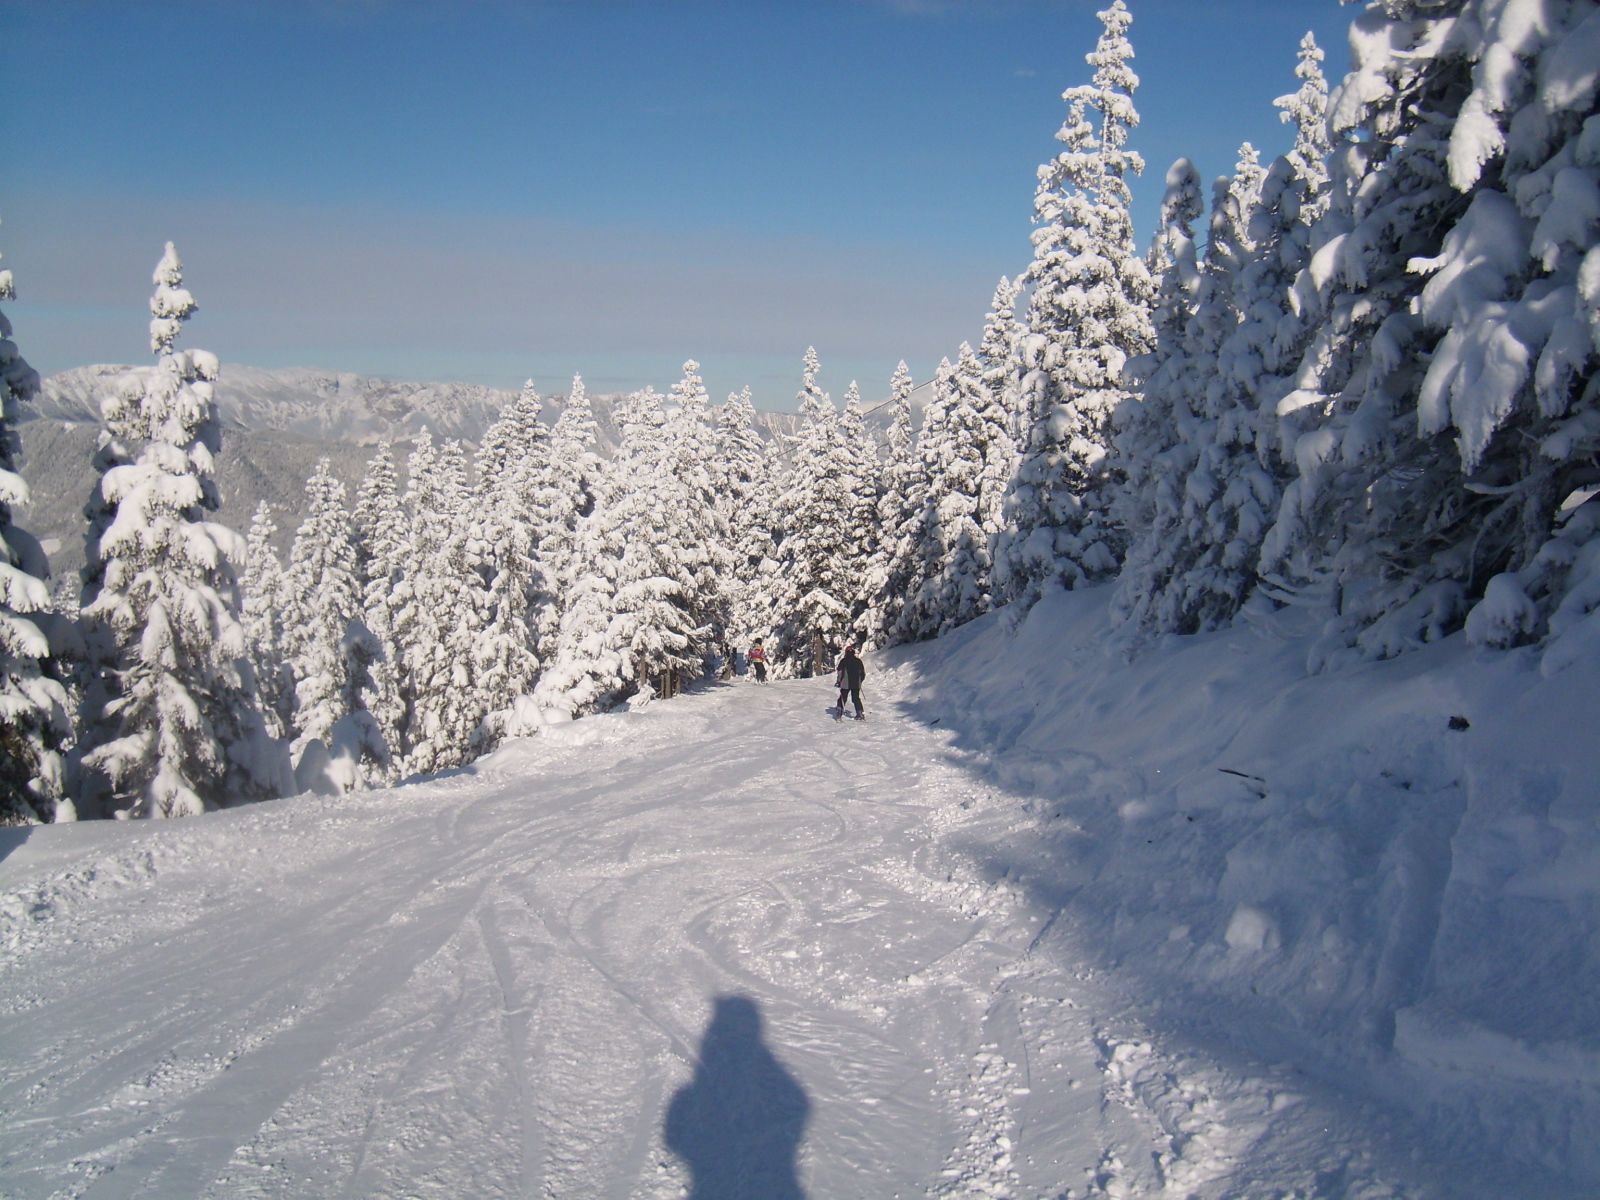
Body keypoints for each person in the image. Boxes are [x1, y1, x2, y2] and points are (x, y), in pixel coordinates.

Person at [835, 644, 865, 720]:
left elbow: (840, 672)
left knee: (843, 697)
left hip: (845, 683)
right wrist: (860, 681)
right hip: (856, 684)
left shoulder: (843, 661)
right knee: (856, 698)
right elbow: (863, 673)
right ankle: (860, 712)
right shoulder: (858, 661)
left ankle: (839, 710)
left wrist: (839, 681)